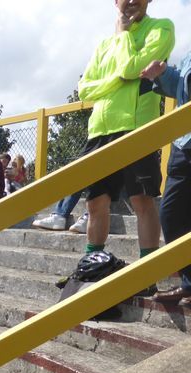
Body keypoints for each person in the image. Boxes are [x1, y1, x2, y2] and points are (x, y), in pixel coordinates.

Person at [76, 0, 174, 286]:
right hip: (99, 130)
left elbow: (134, 68)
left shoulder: (161, 28)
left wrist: (123, 36)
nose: (131, 0)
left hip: (136, 127)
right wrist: (119, 77)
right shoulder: (103, 44)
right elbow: (84, 88)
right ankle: (90, 268)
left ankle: (147, 276)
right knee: (95, 203)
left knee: (142, 200)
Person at [142, 51, 191, 305]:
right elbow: (180, 90)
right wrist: (162, 73)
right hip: (184, 145)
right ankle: (190, 282)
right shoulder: (188, 56)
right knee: (170, 215)